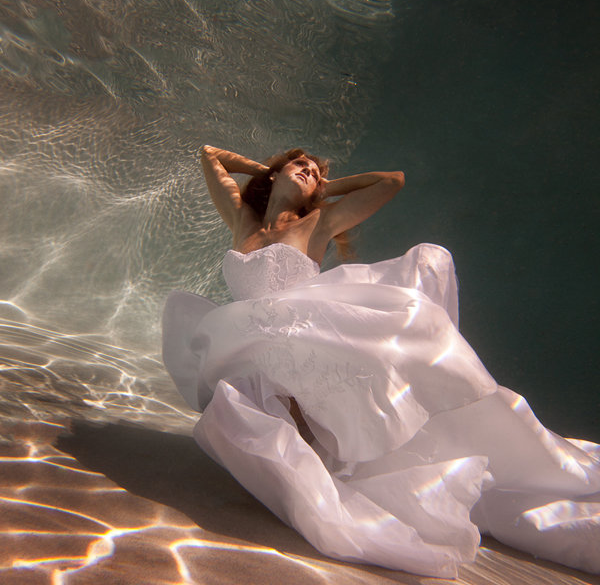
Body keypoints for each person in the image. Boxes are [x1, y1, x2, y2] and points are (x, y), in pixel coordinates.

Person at [162, 146, 600, 578]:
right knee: (251, 416)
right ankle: (316, 471)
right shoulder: (243, 218)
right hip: (250, 342)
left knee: (306, 440)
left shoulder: (319, 222)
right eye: (300, 164)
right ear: (276, 174)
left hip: (305, 338)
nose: (309, 171)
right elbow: (209, 155)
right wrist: (272, 170)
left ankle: (333, 470)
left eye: (315, 171)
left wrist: (327, 186)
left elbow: (392, 181)